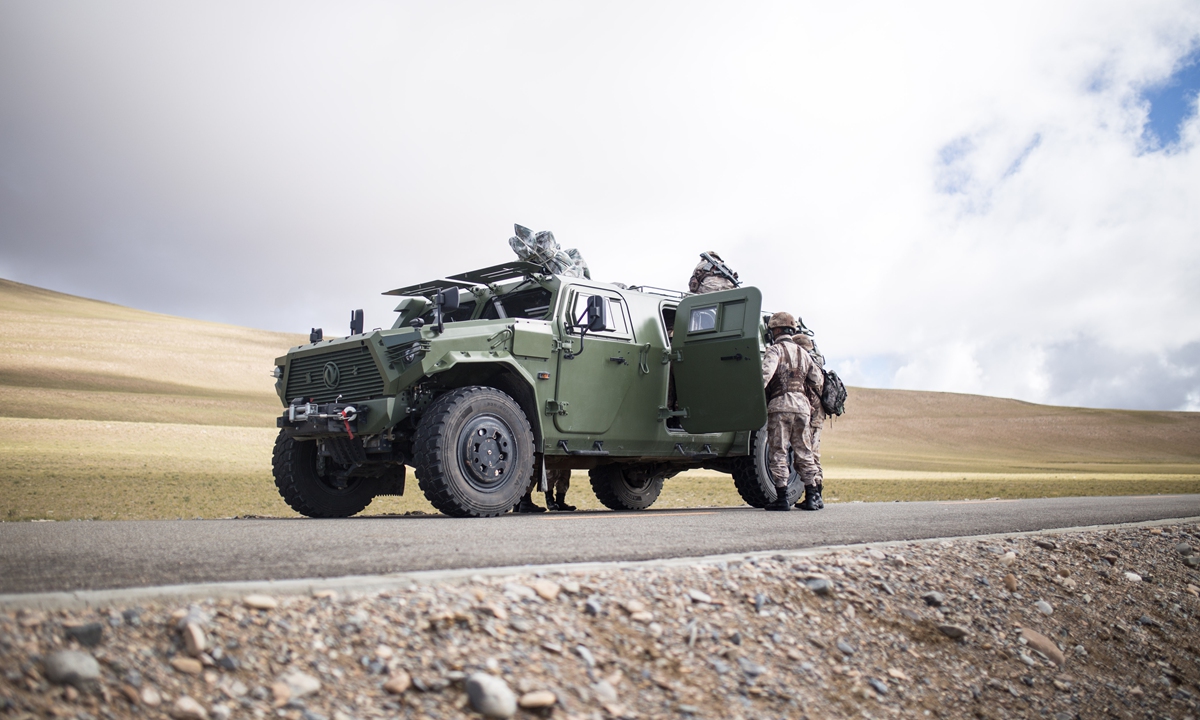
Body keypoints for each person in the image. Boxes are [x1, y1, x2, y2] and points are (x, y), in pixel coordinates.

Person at [760, 312, 824, 511]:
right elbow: (817, 380)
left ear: (776, 330)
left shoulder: (775, 350)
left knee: (778, 451)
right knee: (804, 451)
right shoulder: (804, 353)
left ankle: (782, 498)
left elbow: (765, 376)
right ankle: (813, 496)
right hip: (803, 409)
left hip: (780, 406)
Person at [794, 333, 826, 510]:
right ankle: (817, 496)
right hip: (815, 414)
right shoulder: (816, 362)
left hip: (812, 414)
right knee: (813, 454)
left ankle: (814, 496)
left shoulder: (808, 364)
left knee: (810, 455)